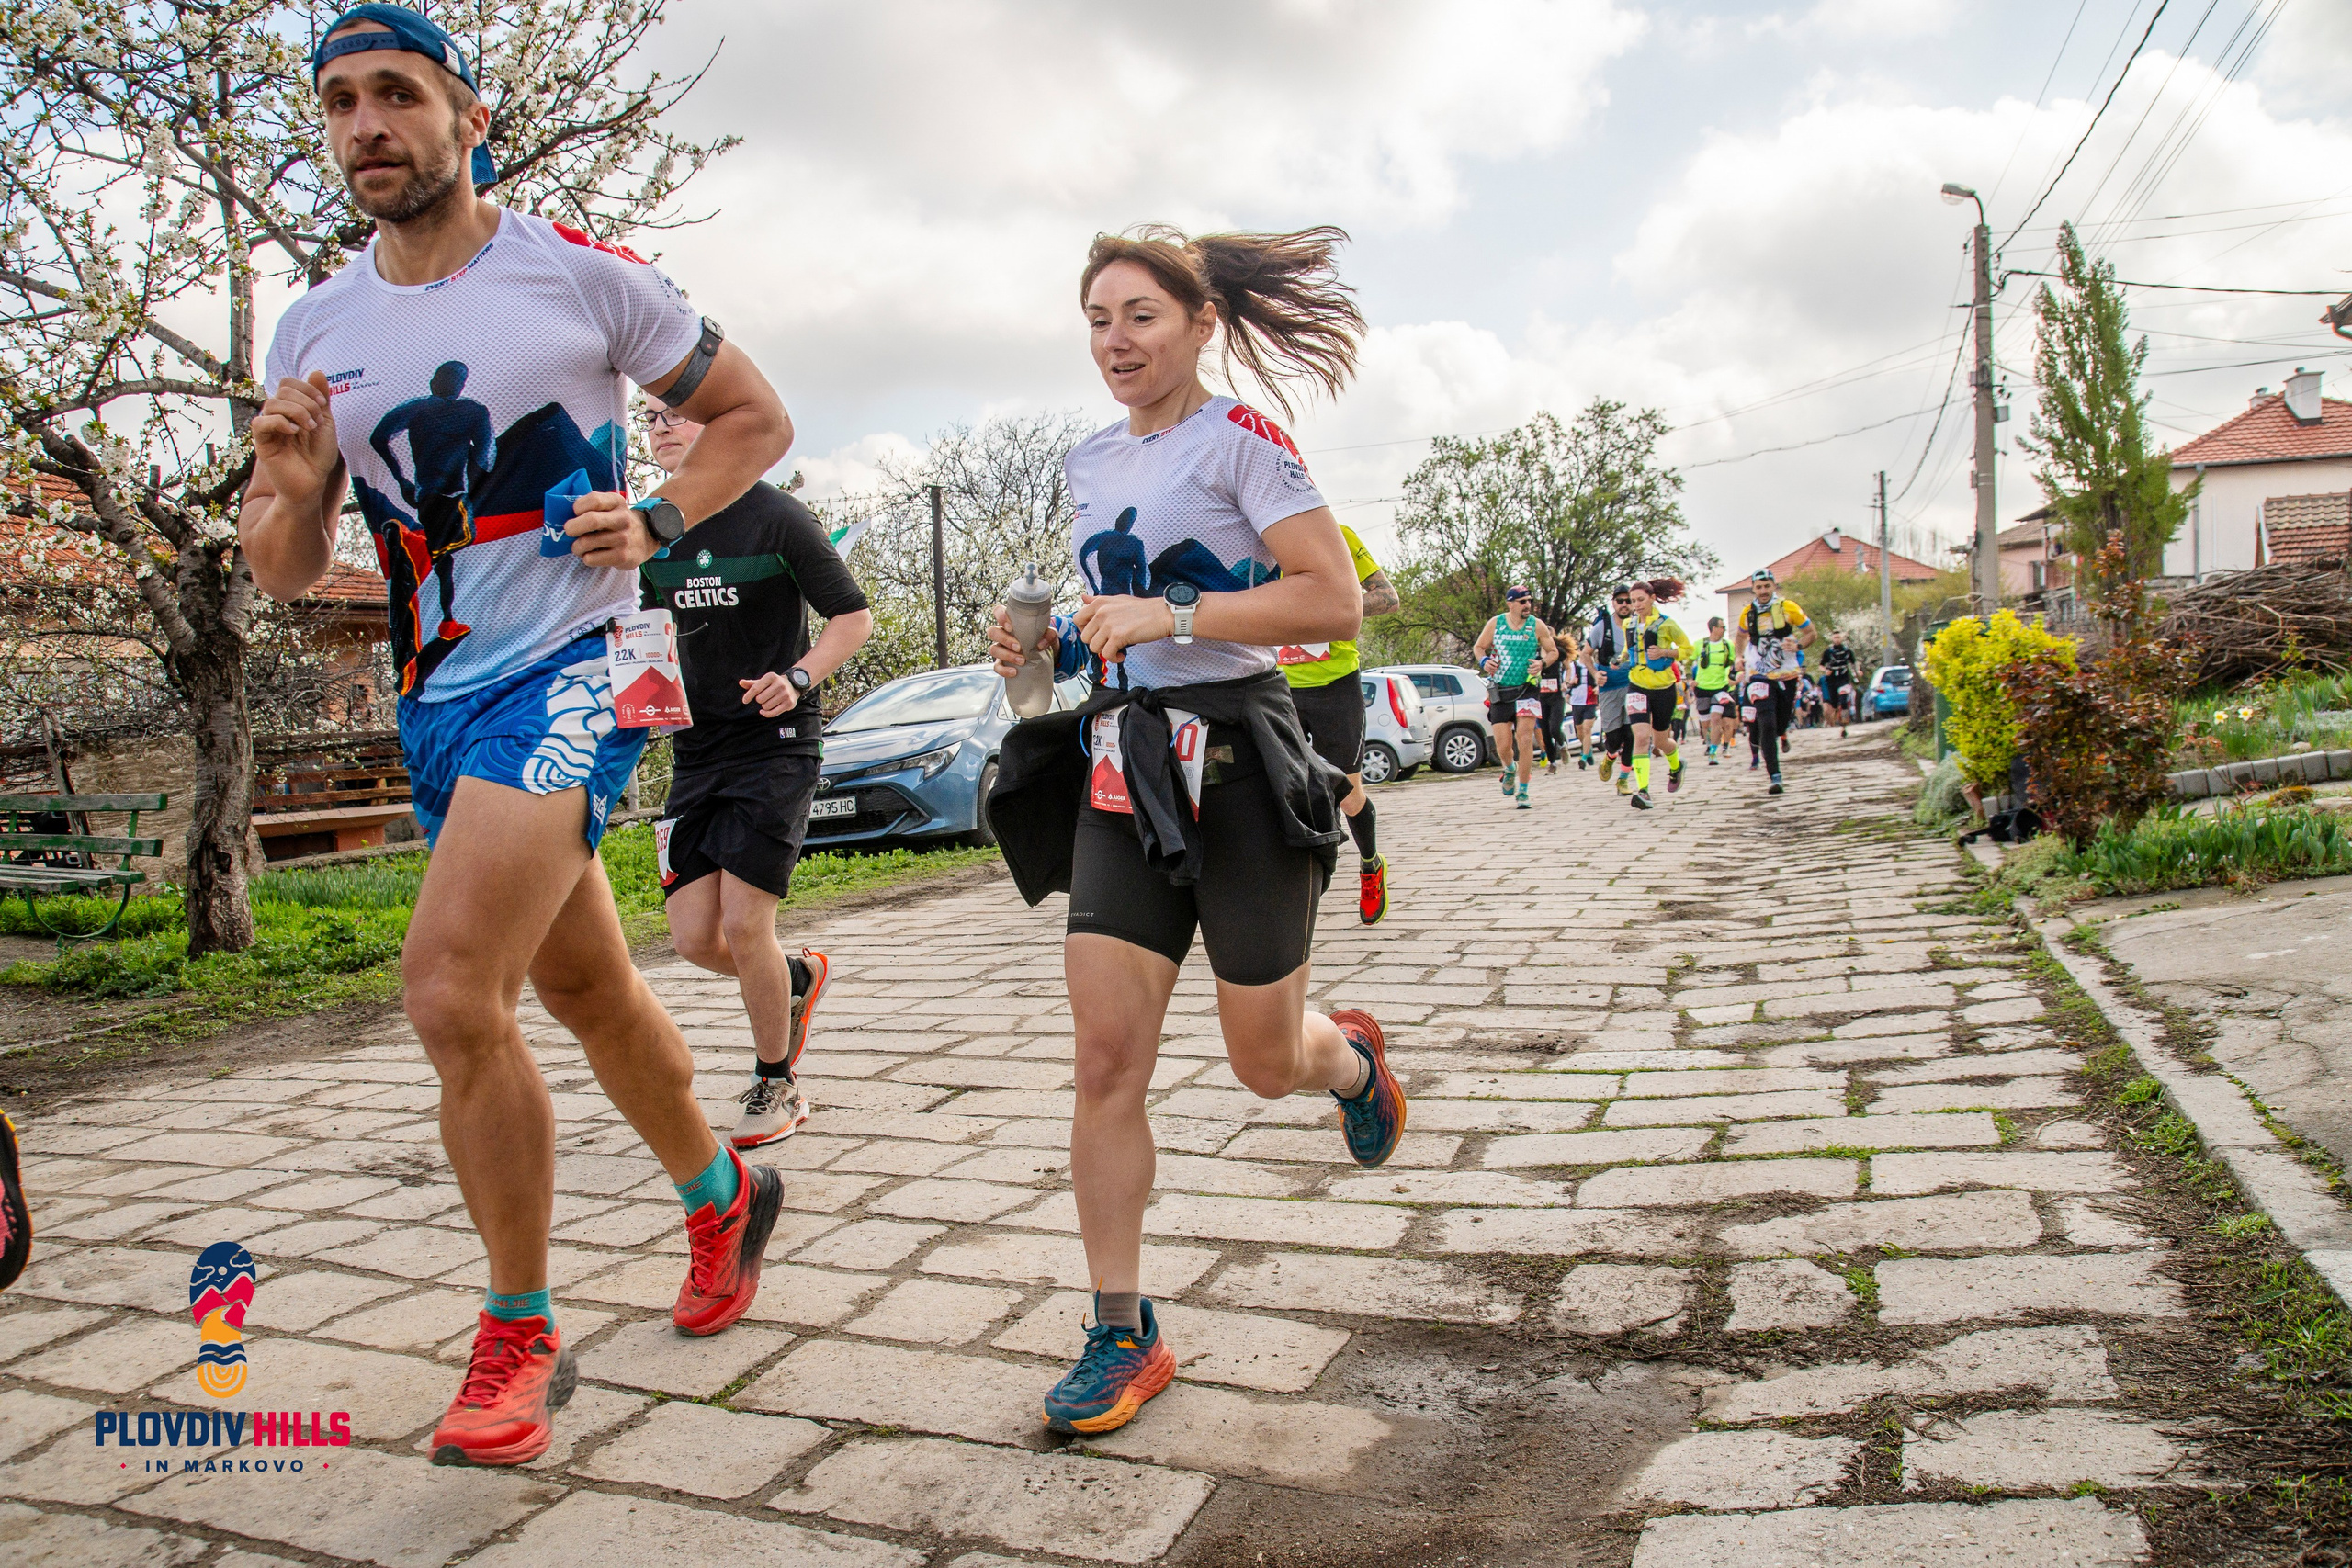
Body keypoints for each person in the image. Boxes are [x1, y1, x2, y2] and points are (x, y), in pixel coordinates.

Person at [241, 6, 794, 1468]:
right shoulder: (312, 325)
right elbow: (285, 570)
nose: (368, 125)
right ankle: (718, 1192)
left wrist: (662, 515)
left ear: (466, 118)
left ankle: (517, 1331)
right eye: (343, 102)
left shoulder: (580, 275)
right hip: (439, 694)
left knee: (446, 989)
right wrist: (292, 488)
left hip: (585, 663)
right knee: (591, 990)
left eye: (398, 95)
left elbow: (753, 416)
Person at [985, 225, 1405, 1439]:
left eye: (1141, 317)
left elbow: (1328, 600)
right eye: (1098, 321)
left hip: (1239, 758)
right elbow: (1112, 613)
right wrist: (1055, 644)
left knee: (1264, 1059)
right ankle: (1123, 1327)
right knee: (1107, 1058)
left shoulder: (1247, 441)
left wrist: (1170, 608)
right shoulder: (1083, 459)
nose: (1116, 341)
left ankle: (1351, 1061)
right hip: (1126, 762)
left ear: (1200, 321)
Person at [640, 406, 874, 1147]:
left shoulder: (775, 516)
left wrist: (798, 677)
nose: (662, 426)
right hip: (695, 751)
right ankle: (796, 978)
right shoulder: (648, 527)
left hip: (775, 744)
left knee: (745, 924)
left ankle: (778, 1082)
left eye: (678, 413)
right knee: (693, 938)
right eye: (650, 416)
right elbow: (640, 631)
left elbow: (853, 616)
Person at [1281, 523, 1400, 924]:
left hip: (1335, 684)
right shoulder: (1251, 542)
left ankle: (1370, 865)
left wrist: (1331, 605)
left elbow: (1387, 597)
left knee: (1347, 792)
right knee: (1278, 788)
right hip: (1277, 686)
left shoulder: (1336, 534)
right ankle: (1289, 889)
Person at [1472, 588, 1559, 809]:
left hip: (1527, 689)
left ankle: (1524, 790)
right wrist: (1484, 662)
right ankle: (1509, 768)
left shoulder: (1536, 625)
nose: (1527, 605)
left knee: (1525, 737)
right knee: (1503, 746)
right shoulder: (1496, 623)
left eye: (1529, 601)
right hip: (1501, 689)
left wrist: (1542, 664)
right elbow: (1479, 647)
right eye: (1522, 602)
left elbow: (1553, 651)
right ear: (1510, 604)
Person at [1733, 568, 1814, 795]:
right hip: (1758, 671)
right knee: (1765, 721)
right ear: (1753, 589)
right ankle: (1774, 776)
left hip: (1786, 670)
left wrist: (1797, 646)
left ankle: (1783, 733)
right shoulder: (1748, 612)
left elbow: (1812, 633)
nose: (1763, 591)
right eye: (1759, 587)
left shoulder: (1789, 607)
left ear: (1774, 587)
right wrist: (1739, 657)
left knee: (1780, 721)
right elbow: (1740, 637)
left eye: (1767, 586)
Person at [1620, 578, 1693, 811]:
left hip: (1663, 688)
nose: (1637, 605)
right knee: (1641, 737)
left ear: (1652, 598)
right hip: (1637, 685)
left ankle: (1676, 765)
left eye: (1641, 599)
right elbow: (1628, 648)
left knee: (1661, 741)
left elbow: (1688, 650)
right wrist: (1620, 658)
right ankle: (1644, 791)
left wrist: (1665, 651)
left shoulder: (1666, 624)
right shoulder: (1628, 625)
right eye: (1633, 601)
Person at [1587, 584, 1638, 797]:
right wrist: (1595, 674)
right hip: (1609, 687)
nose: (1625, 605)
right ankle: (1609, 757)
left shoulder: (1638, 624)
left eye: (1629, 601)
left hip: (1634, 684)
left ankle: (1624, 779)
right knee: (1615, 737)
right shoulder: (1602, 627)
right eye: (1620, 601)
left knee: (1632, 732)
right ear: (1614, 603)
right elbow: (1585, 654)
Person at [1690, 615, 1737, 762]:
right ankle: (1709, 743)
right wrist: (1690, 679)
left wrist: (1736, 678)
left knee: (1716, 719)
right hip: (1702, 688)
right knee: (1705, 724)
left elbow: (1735, 663)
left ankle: (1713, 752)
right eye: (1722, 627)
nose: (1724, 630)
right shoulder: (1700, 644)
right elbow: (1687, 661)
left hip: (1721, 687)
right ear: (1714, 628)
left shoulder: (1728, 645)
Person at [1536, 641, 1573, 773]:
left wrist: (1566, 682)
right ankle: (1552, 763)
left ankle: (1563, 746)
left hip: (1557, 696)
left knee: (1555, 728)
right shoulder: (1534, 652)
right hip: (1541, 697)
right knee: (1545, 732)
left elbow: (1569, 668)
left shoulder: (1558, 651)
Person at [1819, 628, 1859, 736]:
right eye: (1835, 637)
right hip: (1832, 680)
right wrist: (1826, 671)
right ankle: (1837, 711)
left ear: (1842, 638)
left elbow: (1854, 662)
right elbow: (1821, 665)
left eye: (1839, 637)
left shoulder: (1847, 651)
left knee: (1844, 700)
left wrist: (1857, 671)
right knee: (1835, 703)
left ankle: (1844, 725)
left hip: (1844, 679)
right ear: (1832, 639)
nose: (1837, 639)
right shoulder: (1828, 652)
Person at [1567, 650, 1599, 767]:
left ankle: (1584, 758)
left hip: (1590, 701)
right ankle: (1588, 750)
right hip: (1576, 702)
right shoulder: (1573, 666)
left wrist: (1598, 688)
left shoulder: (1595, 667)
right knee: (1580, 732)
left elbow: (1600, 681)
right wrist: (1570, 686)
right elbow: (1566, 682)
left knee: (1587, 729)